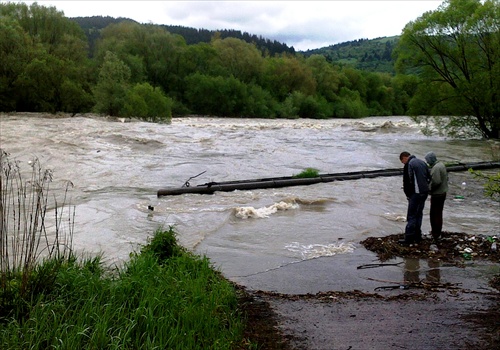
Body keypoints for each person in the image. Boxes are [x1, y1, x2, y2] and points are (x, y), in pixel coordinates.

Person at [399, 151, 431, 245]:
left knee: (411, 215)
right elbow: (428, 177)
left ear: (405, 157)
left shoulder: (409, 164)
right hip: (424, 192)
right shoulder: (422, 162)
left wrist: (408, 195)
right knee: (419, 214)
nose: (403, 163)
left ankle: (408, 238)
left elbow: (408, 180)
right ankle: (417, 236)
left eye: (402, 161)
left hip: (415, 193)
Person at [425, 151, 448, 242]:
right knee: (439, 213)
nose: (427, 162)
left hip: (437, 194)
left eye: (427, 160)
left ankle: (435, 234)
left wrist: (429, 189)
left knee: (434, 214)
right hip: (443, 192)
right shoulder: (441, 165)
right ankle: (437, 232)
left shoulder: (436, 168)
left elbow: (436, 181)